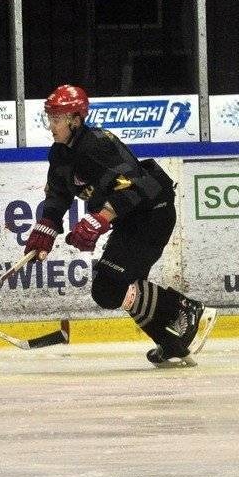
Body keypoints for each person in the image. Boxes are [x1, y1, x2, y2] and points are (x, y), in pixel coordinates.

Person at [23, 85, 217, 367]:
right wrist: (46, 227)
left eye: (57, 119)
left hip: (152, 215)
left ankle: (184, 308)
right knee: (116, 287)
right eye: (49, 118)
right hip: (133, 221)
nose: (51, 125)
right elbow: (58, 194)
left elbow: (139, 186)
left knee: (110, 287)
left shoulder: (97, 145)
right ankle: (171, 342)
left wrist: (101, 217)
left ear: (75, 119)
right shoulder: (60, 153)